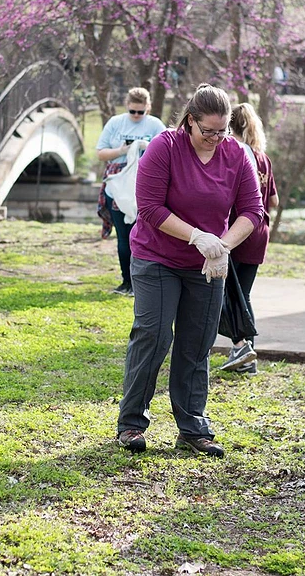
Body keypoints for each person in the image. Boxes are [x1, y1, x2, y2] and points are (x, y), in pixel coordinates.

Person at [116, 84, 263, 458]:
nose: (216, 138)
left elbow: (252, 211)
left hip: (208, 264)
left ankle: (193, 426)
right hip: (157, 258)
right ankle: (132, 422)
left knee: (196, 344)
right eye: (208, 131)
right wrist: (197, 236)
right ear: (190, 122)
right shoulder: (165, 147)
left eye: (223, 131)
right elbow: (148, 207)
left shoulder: (236, 155)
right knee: (153, 335)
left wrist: (222, 246)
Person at [219, 103, 278, 374]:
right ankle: (247, 355)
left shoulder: (233, 155)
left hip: (239, 230)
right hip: (260, 232)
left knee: (230, 295)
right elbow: (274, 200)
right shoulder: (262, 158)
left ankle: (243, 347)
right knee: (245, 295)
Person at [96, 87, 166, 295]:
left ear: (148, 108)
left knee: (142, 237)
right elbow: (101, 153)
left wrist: (147, 148)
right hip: (117, 186)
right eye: (132, 111)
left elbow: (166, 154)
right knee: (123, 238)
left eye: (140, 112)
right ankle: (126, 280)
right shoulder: (116, 123)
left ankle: (142, 282)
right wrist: (122, 151)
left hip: (143, 186)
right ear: (127, 106)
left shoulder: (155, 126)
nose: (136, 116)